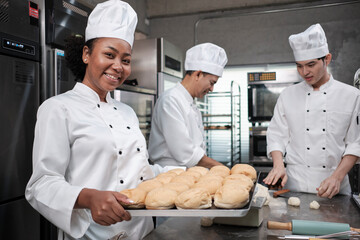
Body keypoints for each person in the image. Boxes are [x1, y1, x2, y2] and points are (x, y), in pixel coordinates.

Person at [25, 1, 157, 239]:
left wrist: (185, 174)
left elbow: (141, 169)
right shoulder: (58, 108)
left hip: (143, 231)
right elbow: (41, 185)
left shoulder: (126, 111)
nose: (118, 67)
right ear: (86, 54)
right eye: (109, 55)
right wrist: (89, 197)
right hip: (94, 235)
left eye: (125, 60)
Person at [263, 23, 360, 198]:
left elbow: (356, 143)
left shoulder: (352, 96)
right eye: (299, 66)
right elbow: (277, 135)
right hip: (293, 187)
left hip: (334, 188)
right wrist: (279, 165)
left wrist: (337, 178)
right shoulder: (287, 95)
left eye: (311, 64)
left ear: (327, 59)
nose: (304, 72)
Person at [148, 43, 228, 169]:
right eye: (211, 82)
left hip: (190, 173)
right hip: (170, 175)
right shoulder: (170, 100)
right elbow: (186, 153)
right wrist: (222, 168)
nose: (212, 89)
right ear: (198, 74)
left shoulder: (190, 103)